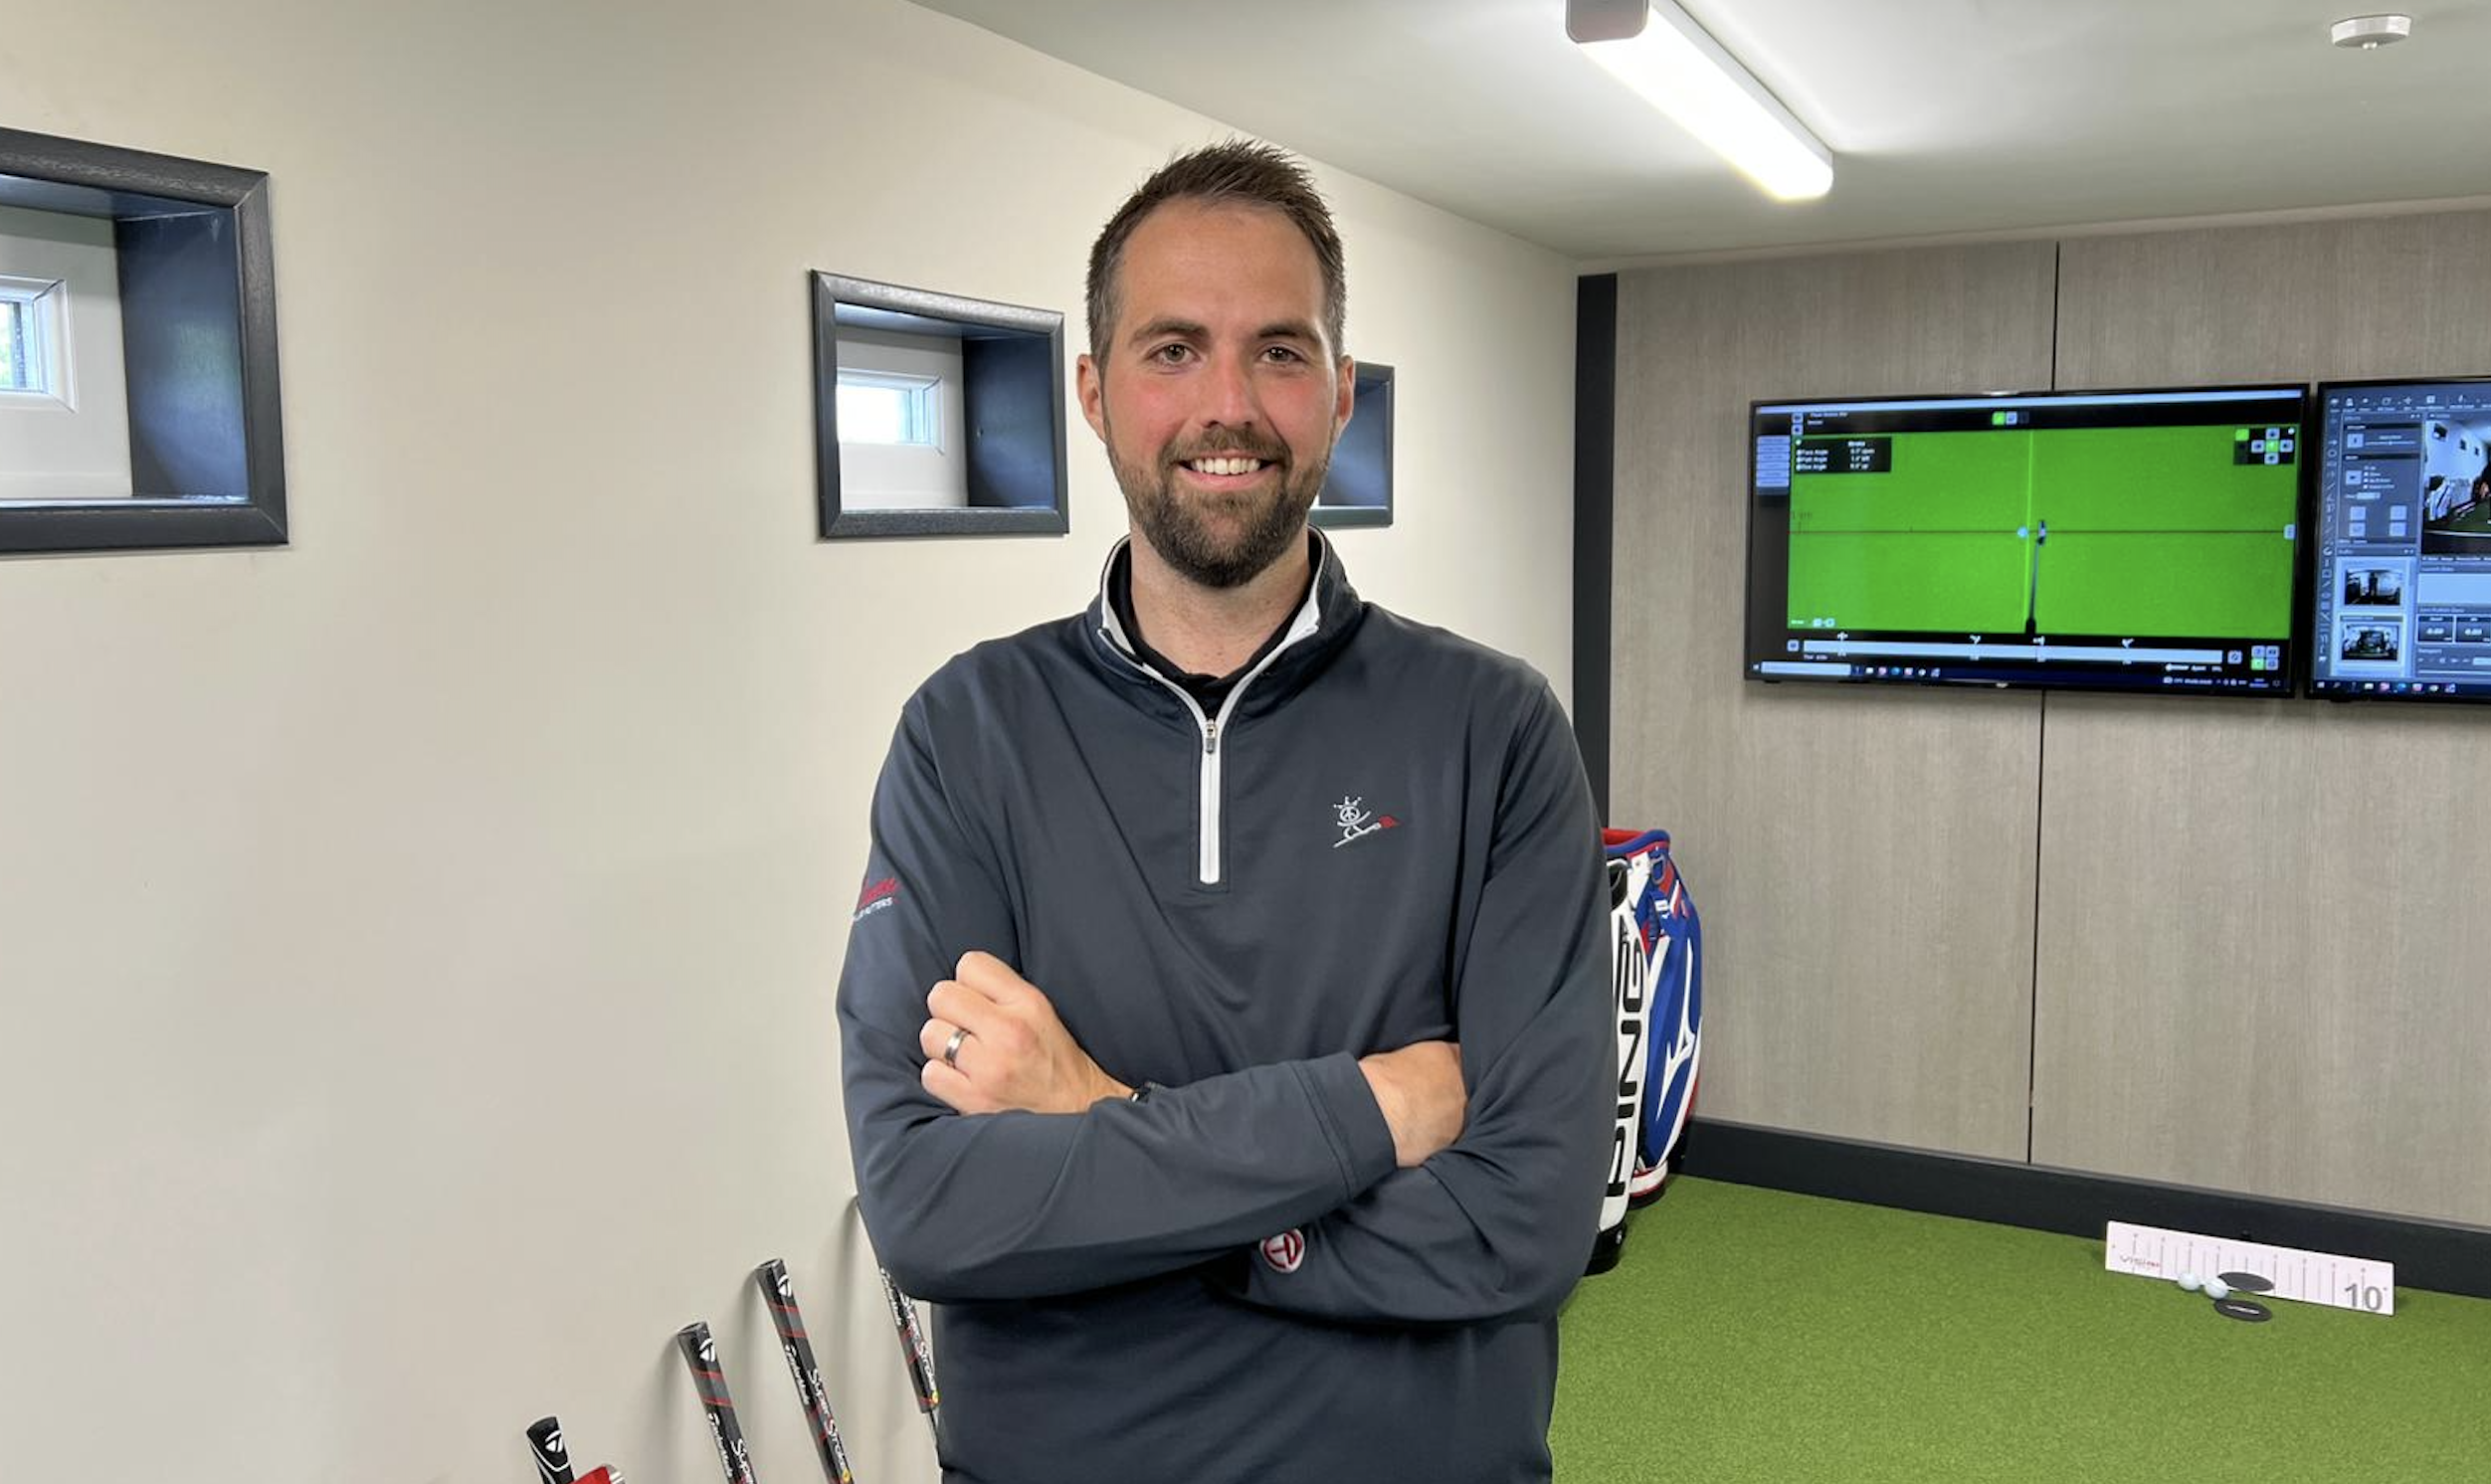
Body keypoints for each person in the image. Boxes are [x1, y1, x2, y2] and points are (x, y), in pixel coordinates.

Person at [836, 139, 1612, 1484]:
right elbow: (933, 1209)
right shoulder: (966, 737)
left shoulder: (1495, 732)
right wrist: (1371, 1113)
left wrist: (1093, 1118)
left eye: (1281, 352)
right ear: (1091, 390)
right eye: (1173, 350)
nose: (1229, 405)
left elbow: (1528, 1222)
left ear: (1342, 394)